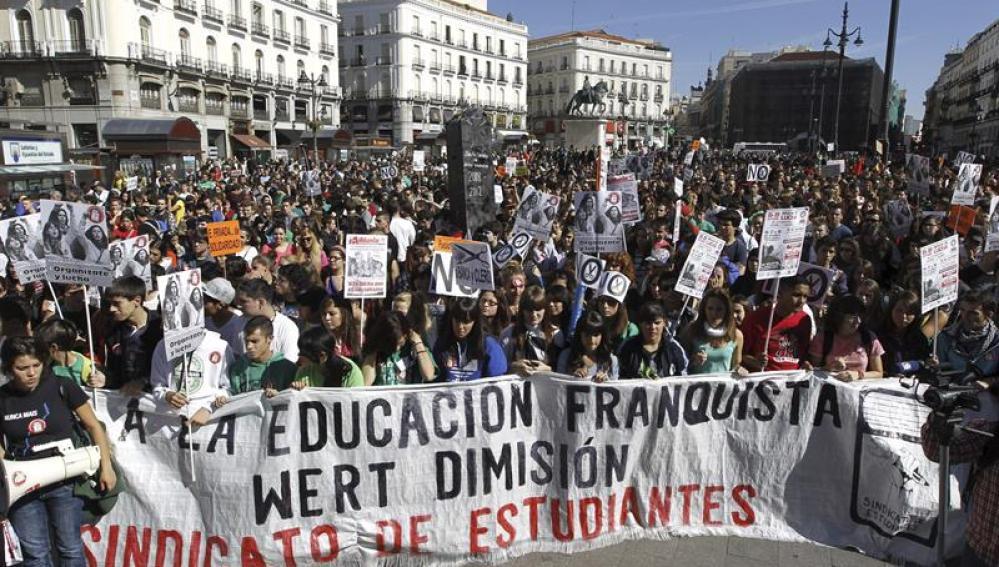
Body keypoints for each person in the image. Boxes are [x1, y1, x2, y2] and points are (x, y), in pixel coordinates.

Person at [0, 337, 116, 566]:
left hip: (64, 484)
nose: (31, 373)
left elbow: (94, 426)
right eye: (22, 368)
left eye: (36, 365)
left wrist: (106, 466)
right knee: (35, 554)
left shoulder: (62, 386)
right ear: (8, 368)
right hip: (22, 489)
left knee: (70, 548)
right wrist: (6, 482)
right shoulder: (2, 398)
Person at [151, 329, 233, 425]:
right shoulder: (163, 346)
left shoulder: (220, 346)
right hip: (170, 423)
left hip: (209, 423)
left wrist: (209, 408)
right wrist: (167, 395)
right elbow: (157, 387)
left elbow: (229, 389)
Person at [741, 275, 812, 372]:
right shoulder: (756, 318)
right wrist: (755, 362)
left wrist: (806, 364)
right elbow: (739, 354)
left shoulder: (804, 320)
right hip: (764, 380)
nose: (801, 301)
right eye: (796, 295)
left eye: (805, 296)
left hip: (792, 381)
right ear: (780, 292)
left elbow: (804, 354)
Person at [105, 275, 163, 394]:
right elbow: (114, 369)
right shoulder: (113, 331)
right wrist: (105, 378)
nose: (111, 309)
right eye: (110, 303)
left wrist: (144, 381)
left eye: (117, 303)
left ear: (137, 301)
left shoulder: (160, 327)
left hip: (155, 401)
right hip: (124, 400)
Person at [808, 294, 885, 382]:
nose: (858, 321)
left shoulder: (868, 338)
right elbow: (812, 371)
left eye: (860, 316)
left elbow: (879, 373)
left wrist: (858, 374)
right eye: (852, 317)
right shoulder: (823, 338)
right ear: (838, 316)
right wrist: (829, 367)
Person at [432, 298, 507, 382]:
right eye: (457, 321)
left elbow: (498, 379)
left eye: (466, 322)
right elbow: (433, 375)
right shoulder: (442, 343)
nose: (460, 327)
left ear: (475, 322)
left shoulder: (489, 345)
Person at [360, 311, 436, 385]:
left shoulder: (415, 346)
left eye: (400, 343)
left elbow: (429, 376)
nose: (396, 348)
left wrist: (418, 344)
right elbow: (365, 383)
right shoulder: (376, 351)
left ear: (406, 335)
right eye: (391, 344)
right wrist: (374, 350)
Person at [228, 316, 298, 396]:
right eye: (246, 341)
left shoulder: (287, 368)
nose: (249, 346)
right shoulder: (238, 368)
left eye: (254, 341)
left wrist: (278, 395)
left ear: (269, 339)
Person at [680, 290, 745, 375]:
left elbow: (735, 366)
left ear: (727, 311)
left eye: (719, 309)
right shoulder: (691, 330)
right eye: (710, 308)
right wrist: (693, 360)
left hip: (723, 387)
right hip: (696, 386)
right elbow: (679, 362)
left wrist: (740, 370)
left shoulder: (737, 335)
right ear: (704, 309)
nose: (714, 313)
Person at [235, 277, 300, 363]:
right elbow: (237, 357)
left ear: (261, 302)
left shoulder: (287, 327)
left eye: (244, 301)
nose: (239, 305)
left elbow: (290, 362)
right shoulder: (240, 322)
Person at [619, 302, 688, 379]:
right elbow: (618, 376)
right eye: (648, 323)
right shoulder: (627, 347)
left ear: (664, 323)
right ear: (640, 324)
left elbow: (683, 377)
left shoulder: (674, 348)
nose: (652, 327)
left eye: (657, 323)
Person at [34, 319, 106, 388]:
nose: (36, 350)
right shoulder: (47, 365)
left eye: (39, 346)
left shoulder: (88, 369)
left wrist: (101, 383)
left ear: (53, 347)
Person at [500, 286, 553, 375]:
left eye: (538, 310)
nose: (534, 314)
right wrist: (513, 367)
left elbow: (562, 369)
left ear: (545, 309)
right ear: (522, 310)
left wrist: (548, 369)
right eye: (529, 310)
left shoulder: (554, 333)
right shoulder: (508, 333)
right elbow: (500, 365)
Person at [556, 310, 619, 382]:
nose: (591, 340)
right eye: (587, 335)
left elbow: (615, 386)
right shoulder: (566, 356)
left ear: (603, 336)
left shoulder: (611, 360)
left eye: (596, 335)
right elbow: (558, 386)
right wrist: (572, 378)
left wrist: (606, 381)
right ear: (579, 334)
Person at [293, 326, 364, 388]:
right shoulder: (304, 371)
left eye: (305, 354)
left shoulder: (351, 372)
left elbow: (356, 397)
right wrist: (297, 389)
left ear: (322, 355)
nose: (299, 355)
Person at [203, 277, 245, 355]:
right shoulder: (203, 320)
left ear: (220, 305)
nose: (201, 303)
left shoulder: (239, 325)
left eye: (206, 301)